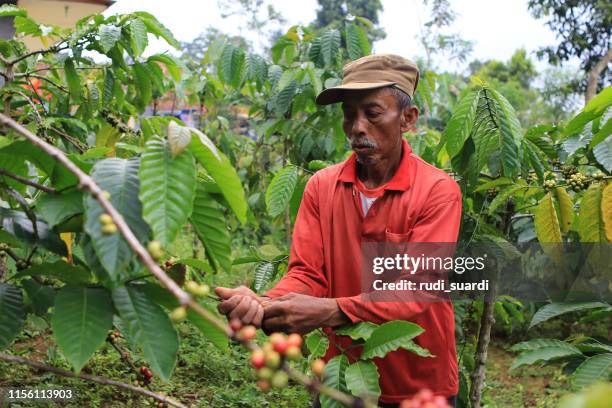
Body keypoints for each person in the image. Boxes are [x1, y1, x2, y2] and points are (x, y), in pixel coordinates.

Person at [216, 54, 461, 407]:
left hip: (419, 385)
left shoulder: (437, 191)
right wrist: (265, 303)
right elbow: (307, 274)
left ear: (408, 118)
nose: (357, 127)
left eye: (373, 113)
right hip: (341, 379)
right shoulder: (322, 187)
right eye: (349, 114)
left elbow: (416, 289)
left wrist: (328, 311)